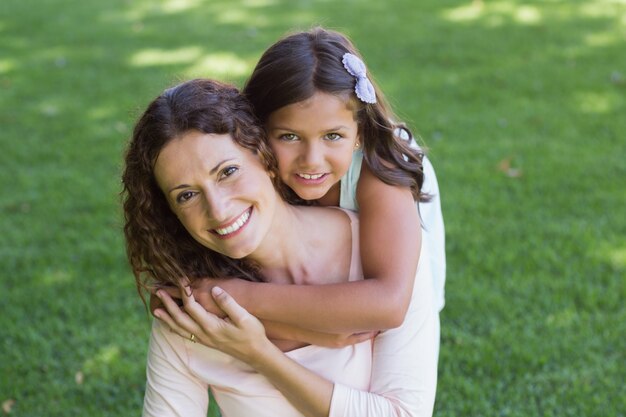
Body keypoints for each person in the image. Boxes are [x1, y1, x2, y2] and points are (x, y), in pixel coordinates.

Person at [122, 79, 438, 417]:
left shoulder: (385, 257)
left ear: (266, 158)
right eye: (186, 195)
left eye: (228, 172)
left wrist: (260, 354)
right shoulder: (193, 309)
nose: (218, 209)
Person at [182, 27, 446, 340]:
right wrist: (319, 335)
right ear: (256, 132)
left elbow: (388, 305)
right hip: (322, 288)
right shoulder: (251, 170)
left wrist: (240, 296)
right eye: (289, 136)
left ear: (358, 133)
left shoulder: (379, 168)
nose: (311, 159)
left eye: (332, 136)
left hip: (401, 298)